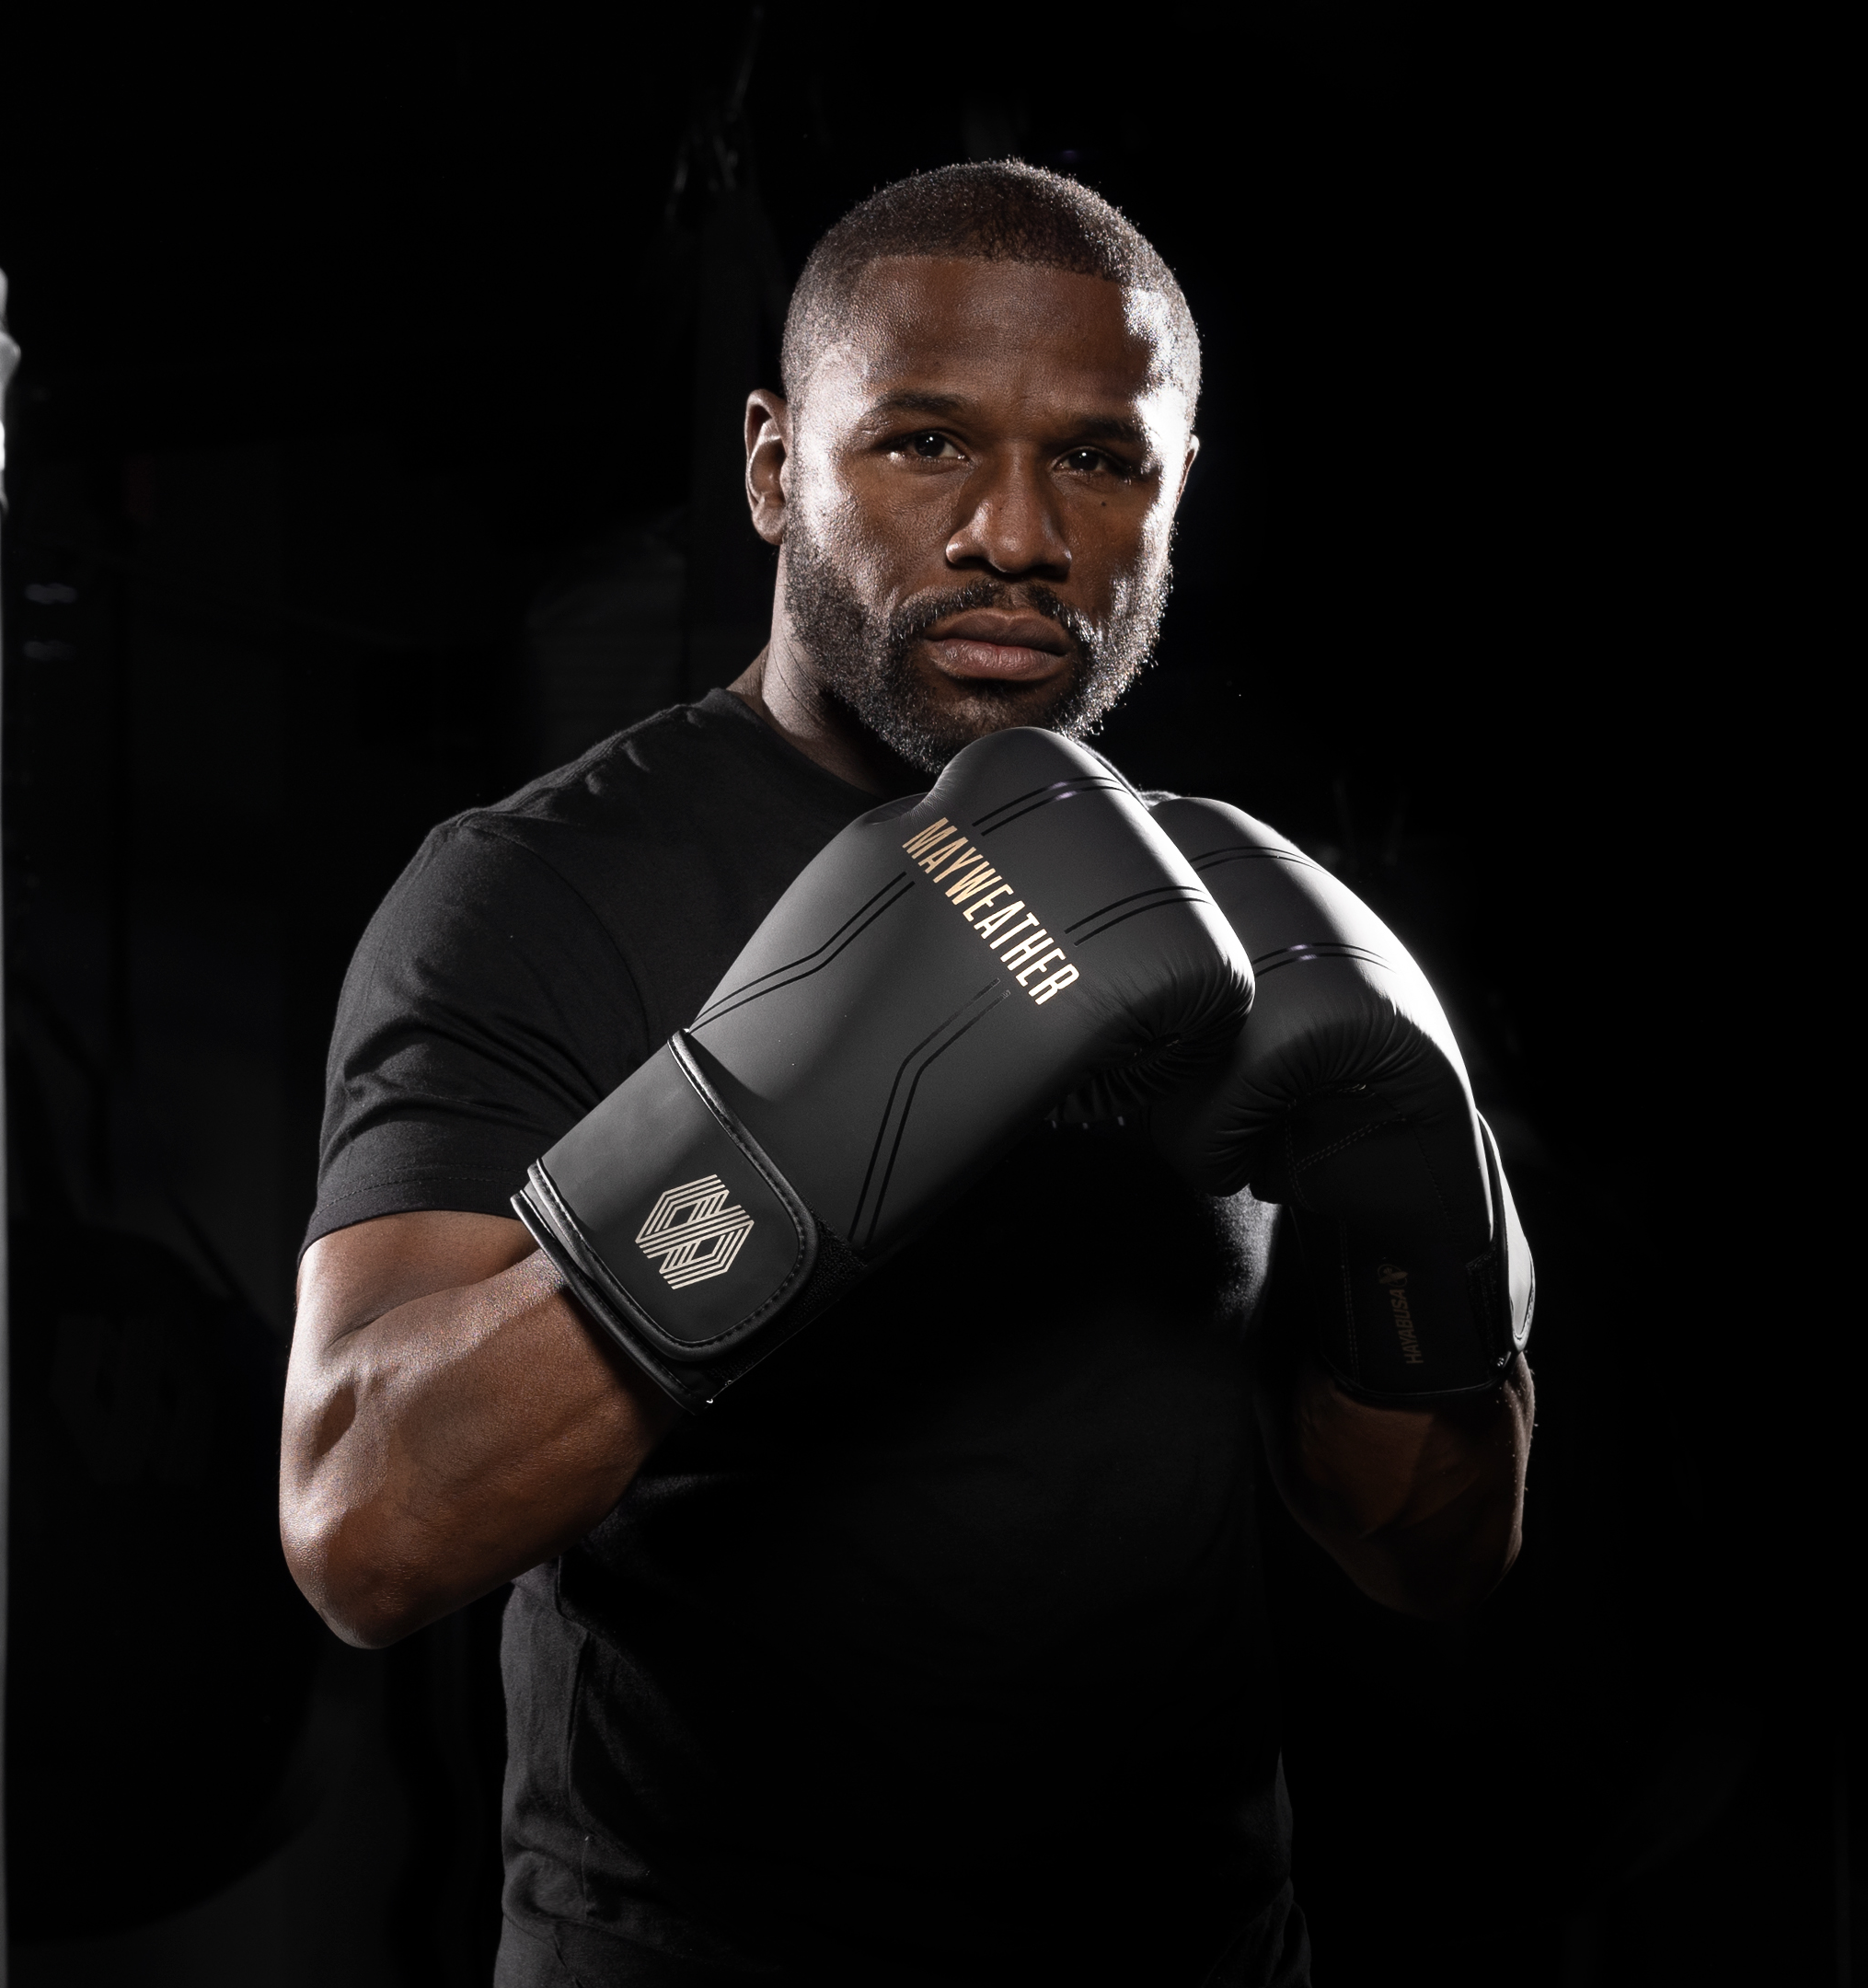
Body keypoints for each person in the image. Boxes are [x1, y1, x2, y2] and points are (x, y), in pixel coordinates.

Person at [279, 162, 1533, 1987]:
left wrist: (1426, 1241)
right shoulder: (537, 892)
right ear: (775, 464)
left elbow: (1433, 1555)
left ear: (1175, 490)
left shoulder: (1247, 918)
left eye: (1098, 460)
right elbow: (363, 1528)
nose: (1016, 534)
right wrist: (786, 1131)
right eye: (926, 443)